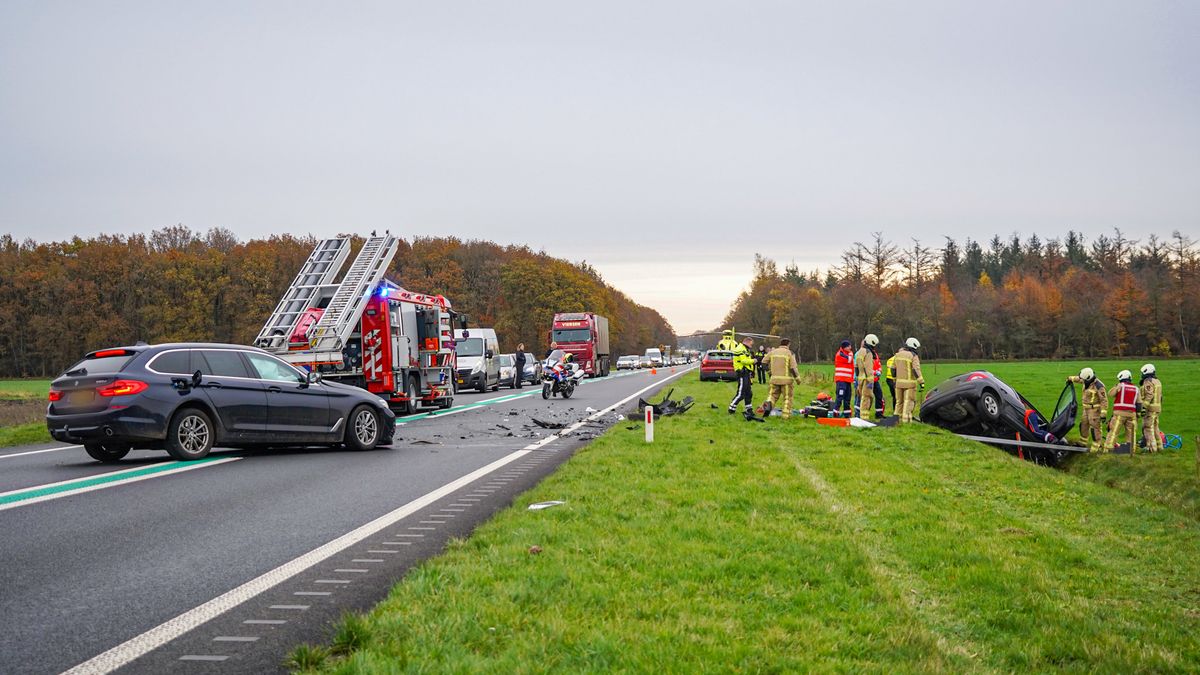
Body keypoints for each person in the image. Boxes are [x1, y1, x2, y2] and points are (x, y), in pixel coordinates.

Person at [1067, 367, 1107, 452]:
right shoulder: (1086, 380)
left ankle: (1096, 446)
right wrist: (1070, 378)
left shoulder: (1099, 386)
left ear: (1089, 378)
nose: (1083, 381)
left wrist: (1103, 414)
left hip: (1095, 410)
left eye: (1084, 380)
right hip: (1086, 409)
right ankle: (1082, 442)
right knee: (1083, 425)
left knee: (1095, 428)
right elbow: (1079, 379)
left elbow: (1104, 400)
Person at [762, 338, 800, 418]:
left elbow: (763, 362)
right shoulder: (789, 353)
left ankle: (767, 408)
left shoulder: (773, 352)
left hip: (774, 379)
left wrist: (769, 372)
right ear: (788, 344)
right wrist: (797, 378)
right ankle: (785, 415)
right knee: (787, 398)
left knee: (772, 396)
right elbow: (793, 368)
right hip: (786, 381)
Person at [1104, 369, 1140, 453]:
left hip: (1119, 414)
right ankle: (1131, 451)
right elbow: (1139, 403)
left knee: (1113, 432)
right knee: (1131, 434)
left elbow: (1110, 394)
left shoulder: (1120, 385)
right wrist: (1137, 414)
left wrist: (1116, 386)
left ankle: (1108, 449)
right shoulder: (1136, 388)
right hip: (1132, 415)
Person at [892, 338, 924, 423]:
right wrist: (921, 382)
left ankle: (896, 421)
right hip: (910, 384)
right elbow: (915, 369)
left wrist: (894, 380)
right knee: (908, 402)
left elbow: (893, 369)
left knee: (899, 402)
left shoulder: (897, 355)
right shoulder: (913, 356)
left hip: (898, 383)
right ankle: (906, 422)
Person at [727, 336, 756, 419]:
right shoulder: (741, 349)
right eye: (751, 344)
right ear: (747, 342)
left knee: (748, 393)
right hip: (742, 373)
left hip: (746, 373)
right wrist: (754, 361)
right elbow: (744, 361)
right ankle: (731, 408)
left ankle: (749, 409)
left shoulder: (744, 349)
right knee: (741, 394)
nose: (751, 346)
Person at [853, 334, 879, 420]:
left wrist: (858, 377)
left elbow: (856, 366)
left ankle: (861, 417)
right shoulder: (868, 353)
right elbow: (868, 369)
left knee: (862, 398)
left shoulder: (860, 351)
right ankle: (864, 418)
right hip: (867, 380)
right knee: (867, 398)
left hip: (860, 379)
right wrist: (870, 381)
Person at [1139, 363, 1163, 453]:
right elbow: (1161, 396)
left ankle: (1152, 449)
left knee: (1148, 428)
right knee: (1156, 429)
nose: (1142, 375)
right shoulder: (1158, 381)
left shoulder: (1148, 381)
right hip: (1157, 408)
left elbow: (1149, 395)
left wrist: (1144, 407)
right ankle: (1160, 447)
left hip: (1150, 409)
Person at [832, 340, 854, 418]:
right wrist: (851, 354)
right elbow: (849, 359)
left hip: (847, 380)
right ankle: (835, 412)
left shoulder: (848, 353)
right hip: (841, 380)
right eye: (849, 346)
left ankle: (847, 414)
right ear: (844, 347)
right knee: (840, 396)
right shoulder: (840, 354)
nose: (850, 348)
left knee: (848, 397)